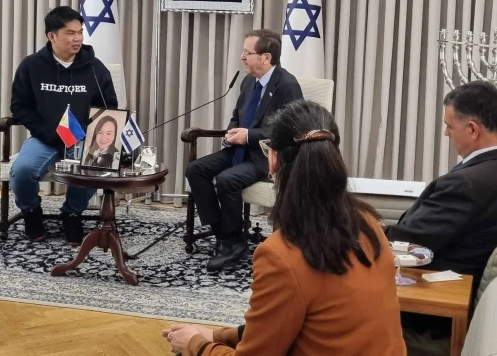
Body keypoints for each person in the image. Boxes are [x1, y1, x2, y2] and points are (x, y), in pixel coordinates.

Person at [163, 101, 407, 356]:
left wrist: (195, 345)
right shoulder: (369, 222)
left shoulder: (280, 254)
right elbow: (294, 320)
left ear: (272, 160)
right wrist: (215, 335)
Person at [385, 80, 497, 278]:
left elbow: (406, 243)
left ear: (472, 130)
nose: (446, 133)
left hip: (425, 285)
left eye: (449, 126)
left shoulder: (465, 185)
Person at [185, 29, 304, 272]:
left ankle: (231, 241)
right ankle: (226, 235)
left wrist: (249, 135)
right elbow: (236, 117)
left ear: (266, 58)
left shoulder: (288, 85)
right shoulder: (248, 81)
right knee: (195, 170)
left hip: (266, 156)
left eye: (247, 53)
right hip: (238, 150)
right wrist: (231, 134)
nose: (242, 57)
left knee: (226, 179)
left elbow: (292, 130)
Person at [10, 6, 118, 245]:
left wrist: (92, 136)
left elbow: (108, 108)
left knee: (96, 164)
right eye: (70, 33)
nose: (78, 38)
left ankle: (71, 214)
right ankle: (31, 212)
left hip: (82, 139)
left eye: (80, 32)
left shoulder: (94, 67)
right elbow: (20, 107)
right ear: (52, 36)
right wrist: (46, 132)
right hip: (44, 137)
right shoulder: (31, 66)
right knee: (22, 170)